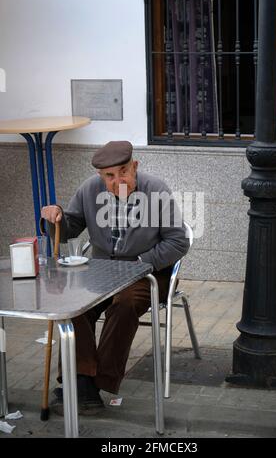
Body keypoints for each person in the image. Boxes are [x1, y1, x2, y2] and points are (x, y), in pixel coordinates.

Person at [41, 140, 189, 415]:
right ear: (101, 176)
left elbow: (178, 242)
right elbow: (70, 227)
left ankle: (97, 382)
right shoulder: (89, 189)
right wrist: (55, 218)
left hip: (149, 273)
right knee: (74, 306)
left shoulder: (156, 189)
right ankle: (83, 380)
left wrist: (141, 263)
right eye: (109, 175)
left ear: (134, 166)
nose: (117, 180)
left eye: (123, 171)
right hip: (102, 273)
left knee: (124, 303)